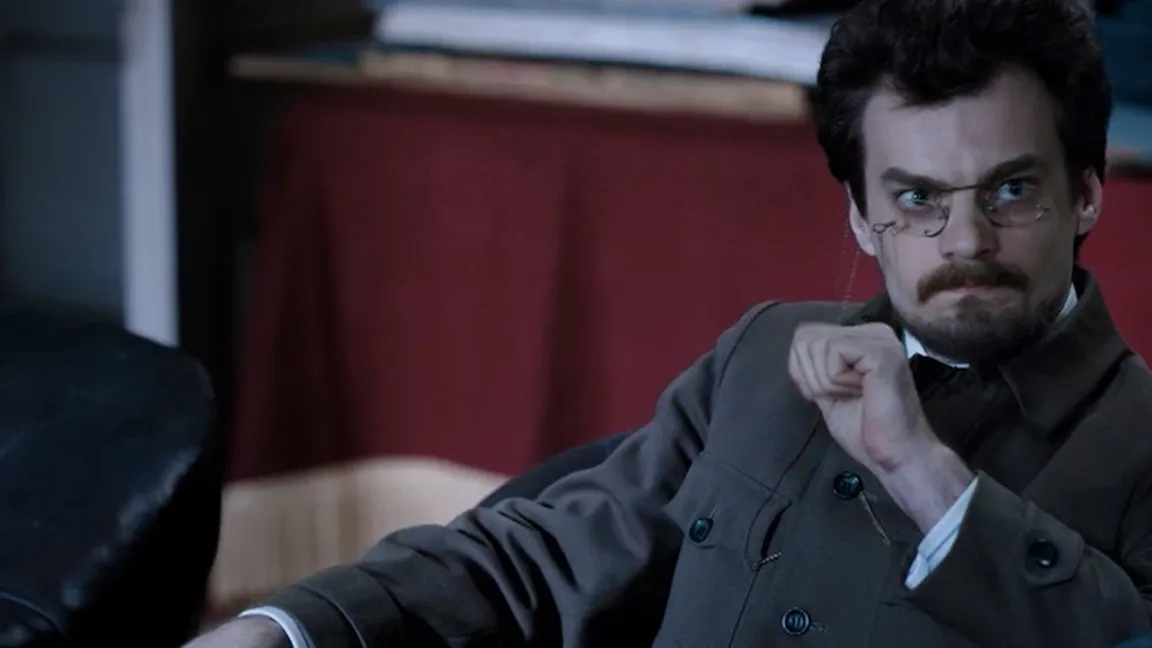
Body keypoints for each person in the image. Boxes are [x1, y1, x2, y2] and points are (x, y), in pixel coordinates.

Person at [189, 0, 1152, 646]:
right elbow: (542, 559)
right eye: (916, 199)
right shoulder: (764, 354)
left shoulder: (1141, 444)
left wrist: (923, 473)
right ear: (862, 218)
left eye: (1011, 191)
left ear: (1086, 195)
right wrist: (286, 630)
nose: (966, 239)